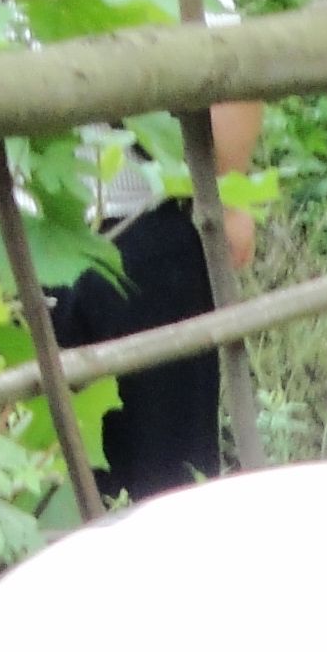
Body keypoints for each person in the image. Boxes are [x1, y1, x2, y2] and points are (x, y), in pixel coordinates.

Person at [48, 103, 263, 505]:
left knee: (162, 486)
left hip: (134, 225)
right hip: (0, 232)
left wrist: (228, 187)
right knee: (162, 488)